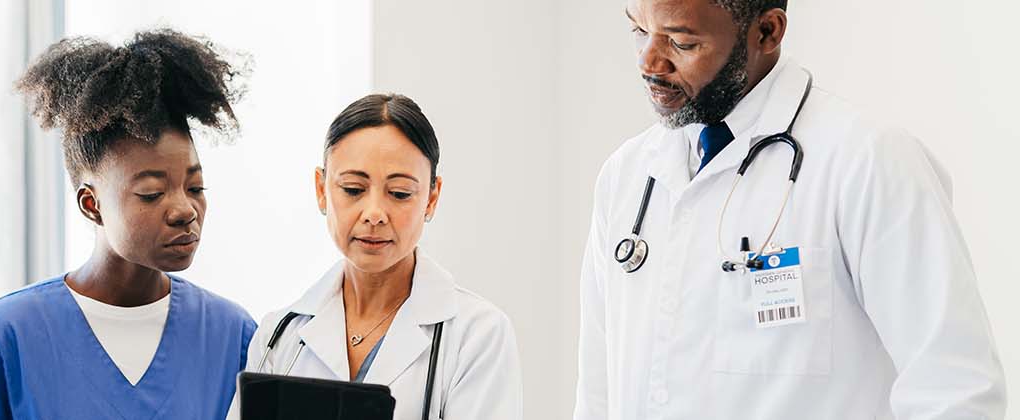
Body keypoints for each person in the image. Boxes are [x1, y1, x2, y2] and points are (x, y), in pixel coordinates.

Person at [575, 0, 1006, 418]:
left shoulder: (866, 161)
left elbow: (955, 389)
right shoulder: (627, 175)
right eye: (638, 30)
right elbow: (598, 391)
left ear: (766, 32)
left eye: (682, 43)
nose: (649, 62)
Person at [0, 29, 255, 420]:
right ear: (92, 204)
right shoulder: (10, 335)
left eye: (195, 186)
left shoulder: (231, 336)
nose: (184, 209)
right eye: (152, 193)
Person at [236, 94, 523, 419]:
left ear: (431, 198)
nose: (374, 214)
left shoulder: (477, 335)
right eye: (353, 189)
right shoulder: (279, 334)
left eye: (399, 193)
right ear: (321, 189)